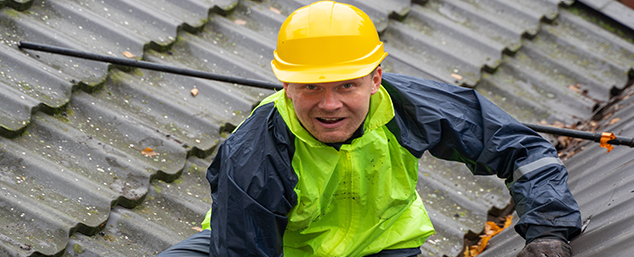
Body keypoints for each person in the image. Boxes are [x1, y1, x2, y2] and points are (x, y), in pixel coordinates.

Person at [158, 1, 582, 256]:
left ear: (375, 79)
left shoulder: (412, 107)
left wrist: (548, 226)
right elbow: (243, 250)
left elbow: (522, 149)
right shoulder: (254, 155)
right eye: (311, 87)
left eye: (347, 85)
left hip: (384, 250)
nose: (330, 104)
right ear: (286, 85)